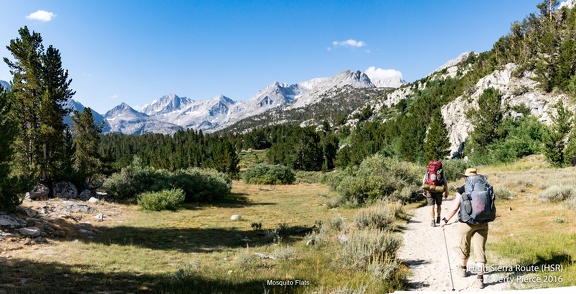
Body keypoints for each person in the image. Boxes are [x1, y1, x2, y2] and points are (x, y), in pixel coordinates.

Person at [440, 168, 489, 289]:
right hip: (482, 223)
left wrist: (445, 220)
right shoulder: (485, 186)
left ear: (465, 177)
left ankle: (463, 269)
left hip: (465, 223)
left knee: (464, 246)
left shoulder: (462, 189)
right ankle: (480, 280)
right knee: (480, 251)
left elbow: (455, 207)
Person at [422, 161, 449, 227]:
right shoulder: (441, 172)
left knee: (432, 206)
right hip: (439, 190)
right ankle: (438, 218)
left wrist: (424, 190)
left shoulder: (428, 171)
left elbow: (424, 181)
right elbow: (445, 183)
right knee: (439, 205)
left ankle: (432, 221)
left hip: (430, 190)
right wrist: (446, 192)